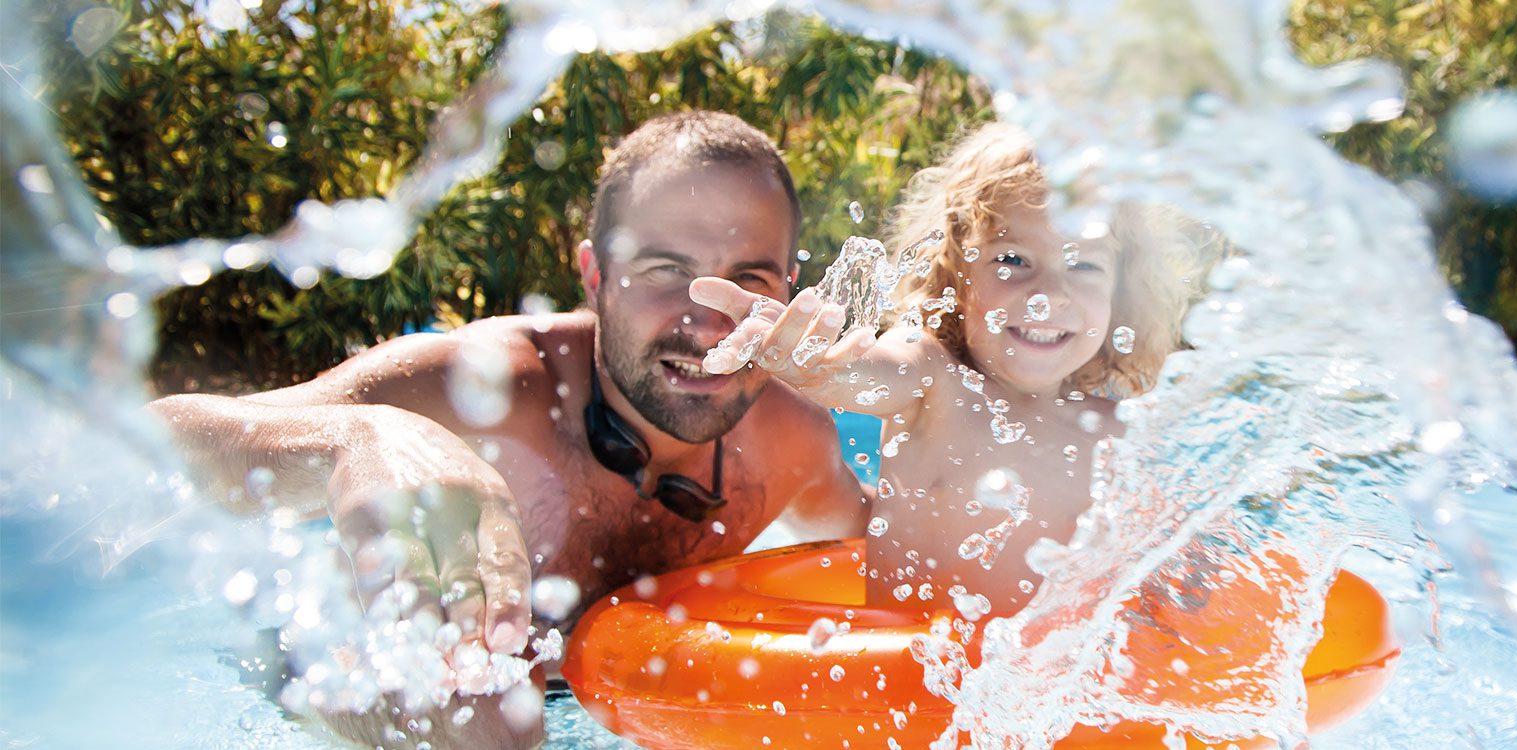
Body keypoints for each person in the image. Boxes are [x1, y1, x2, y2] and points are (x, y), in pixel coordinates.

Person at [149, 110, 865, 748]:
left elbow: (905, 556)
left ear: (789, 289)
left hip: (591, 706)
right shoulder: (481, 388)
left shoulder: (792, 438)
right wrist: (357, 441)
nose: (710, 322)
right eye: (665, 270)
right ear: (595, 276)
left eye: (750, 279)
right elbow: (156, 440)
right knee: (487, 717)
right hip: (310, 684)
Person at [691, 121, 1216, 616]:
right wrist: (814, 365)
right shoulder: (934, 378)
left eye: (1083, 265)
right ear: (957, 276)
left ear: (1121, 293)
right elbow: (869, 372)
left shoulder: (1119, 433)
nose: (1049, 294)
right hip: (907, 690)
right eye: (1012, 261)